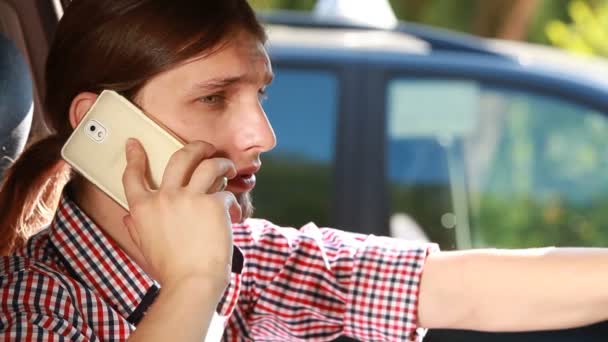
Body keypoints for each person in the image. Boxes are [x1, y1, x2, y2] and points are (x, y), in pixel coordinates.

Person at [0, 1, 607, 341]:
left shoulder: (256, 263)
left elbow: (464, 289)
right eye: (214, 98)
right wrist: (192, 287)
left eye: (259, 96)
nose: (261, 135)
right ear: (99, 125)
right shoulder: (27, 304)